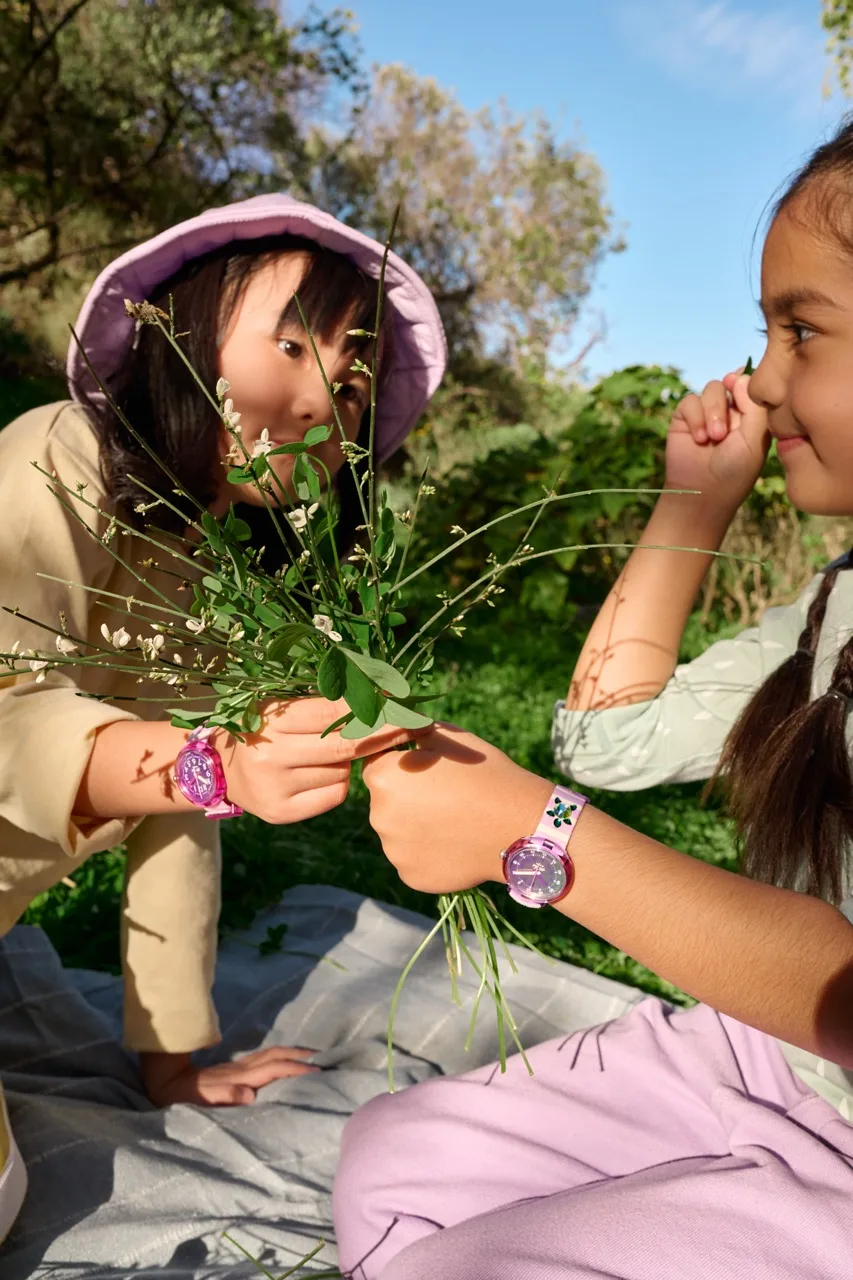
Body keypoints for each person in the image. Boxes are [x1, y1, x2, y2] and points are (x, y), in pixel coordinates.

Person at [332, 121, 853, 1279]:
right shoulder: (833, 604)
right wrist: (688, 508)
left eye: (801, 328)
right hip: (770, 1062)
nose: (762, 377)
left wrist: (534, 833)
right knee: (388, 1161)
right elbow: (605, 737)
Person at [0, 195, 446, 1246]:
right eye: (290, 343)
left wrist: (175, 1061)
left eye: (348, 387)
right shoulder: (57, 454)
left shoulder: (209, 578)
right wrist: (208, 763)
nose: (312, 402)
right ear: (181, 325)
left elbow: (178, 825)